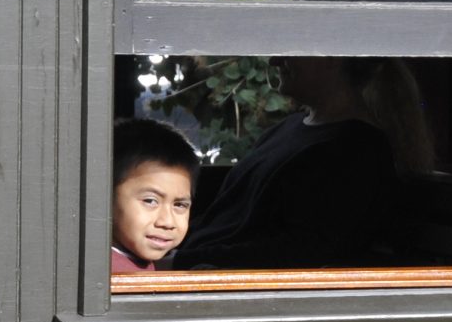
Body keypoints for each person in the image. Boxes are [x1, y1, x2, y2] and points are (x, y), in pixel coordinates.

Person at [175, 56, 432, 269]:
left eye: (293, 50)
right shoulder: (290, 128)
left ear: (333, 59)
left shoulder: (357, 151)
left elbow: (300, 251)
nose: (276, 60)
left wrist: (182, 261)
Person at [109, 118, 199, 272]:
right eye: (150, 201)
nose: (167, 222)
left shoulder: (135, 264)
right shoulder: (106, 275)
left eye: (179, 205)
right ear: (106, 199)